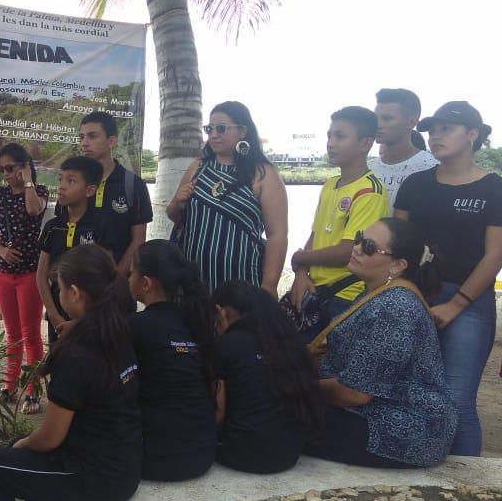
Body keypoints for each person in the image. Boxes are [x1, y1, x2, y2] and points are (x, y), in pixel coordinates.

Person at [0, 246, 141, 501]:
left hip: (95, 477)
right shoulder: (120, 331)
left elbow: (50, 438)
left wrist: (23, 444)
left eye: (59, 288)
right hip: (125, 464)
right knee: (11, 451)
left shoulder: (79, 355)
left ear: (74, 293)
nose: (57, 294)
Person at [395, 101, 502, 456]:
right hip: (413, 296)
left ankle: (467, 482)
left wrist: (456, 305)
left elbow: (495, 256)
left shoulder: (493, 189)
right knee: (408, 392)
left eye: (447, 129)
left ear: (472, 134)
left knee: (457, 400)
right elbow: (399, 245)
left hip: (469, 302)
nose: (436, 136)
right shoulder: (415, 184)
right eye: (432, 130)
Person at [305, 219, 457, 468]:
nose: (356, 248)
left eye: (369, 247)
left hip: (400, 430)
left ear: (398, 265)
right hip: (381, 415)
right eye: (358, 238)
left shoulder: (395, 307)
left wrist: (295, 387)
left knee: (272, 413)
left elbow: (355, 393)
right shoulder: (377, 293)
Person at [167, 101, 288, 293]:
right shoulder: (197, 168)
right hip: (193, 283)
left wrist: (269, 285)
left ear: (242, 131)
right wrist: (176, 203)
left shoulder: (263, 175)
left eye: (221, 128)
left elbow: (277, 235)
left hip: (241, 285)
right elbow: (177, 218)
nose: (214, 134)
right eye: (209, 129)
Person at [290, 106, 389, 334]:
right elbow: (315, 235)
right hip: (314, 288)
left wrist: (299, 257)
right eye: (329, 136)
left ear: (365, 143)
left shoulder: (369, 192)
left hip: (345, 295)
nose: (330, 143)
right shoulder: (330, 184)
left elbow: (348, 252)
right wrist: (301, 273)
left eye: (340, 136)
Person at [128, 240, 218, 481]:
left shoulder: (135, 326)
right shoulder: (196, 322)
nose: (128, 279)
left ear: (146, 283)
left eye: (132, 273)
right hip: (203, 453)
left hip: (157, 460)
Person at [210, 281, 319, 474]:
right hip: (290, 453)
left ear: (221, 312)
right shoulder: (289, 343)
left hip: (242, 455)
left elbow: (218, 409)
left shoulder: (226, 344)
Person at [0, 143, 49, 414]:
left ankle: (33, 390)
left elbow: (33, 210)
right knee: (12, 333)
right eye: (1, 169)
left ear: (24, 166)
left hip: (29, 272)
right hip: (3, 272)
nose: (6, 174)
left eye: (10, 168)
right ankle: (9, 384)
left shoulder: (39, 191)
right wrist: (0, 250)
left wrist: (27, 181)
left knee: (30, 334)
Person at [36, 156, 110, 344]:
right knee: (59, 357)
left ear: (90, 190)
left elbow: (107, 277)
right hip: (57, 314)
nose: (61, 186)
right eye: (60, 179)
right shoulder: (52, 227)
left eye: (71, 181)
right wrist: (53, 314)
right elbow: (41, 275)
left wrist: (83, 321)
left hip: (91, 318)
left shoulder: (101, 225)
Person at [78, 111, 153, 276]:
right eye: (82, 137)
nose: (84, 143)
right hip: (77, 280)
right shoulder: (75, 182)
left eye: (92, 136)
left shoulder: (134, 184)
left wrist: (116, 279)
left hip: (119, 281)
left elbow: (138, 240)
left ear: (111, 141)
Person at [368, 88, 437, 210]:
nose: (377, 125)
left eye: (387, 118)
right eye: (375, 119)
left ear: (411, 122)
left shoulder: (431, 168)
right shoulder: (367, 169)